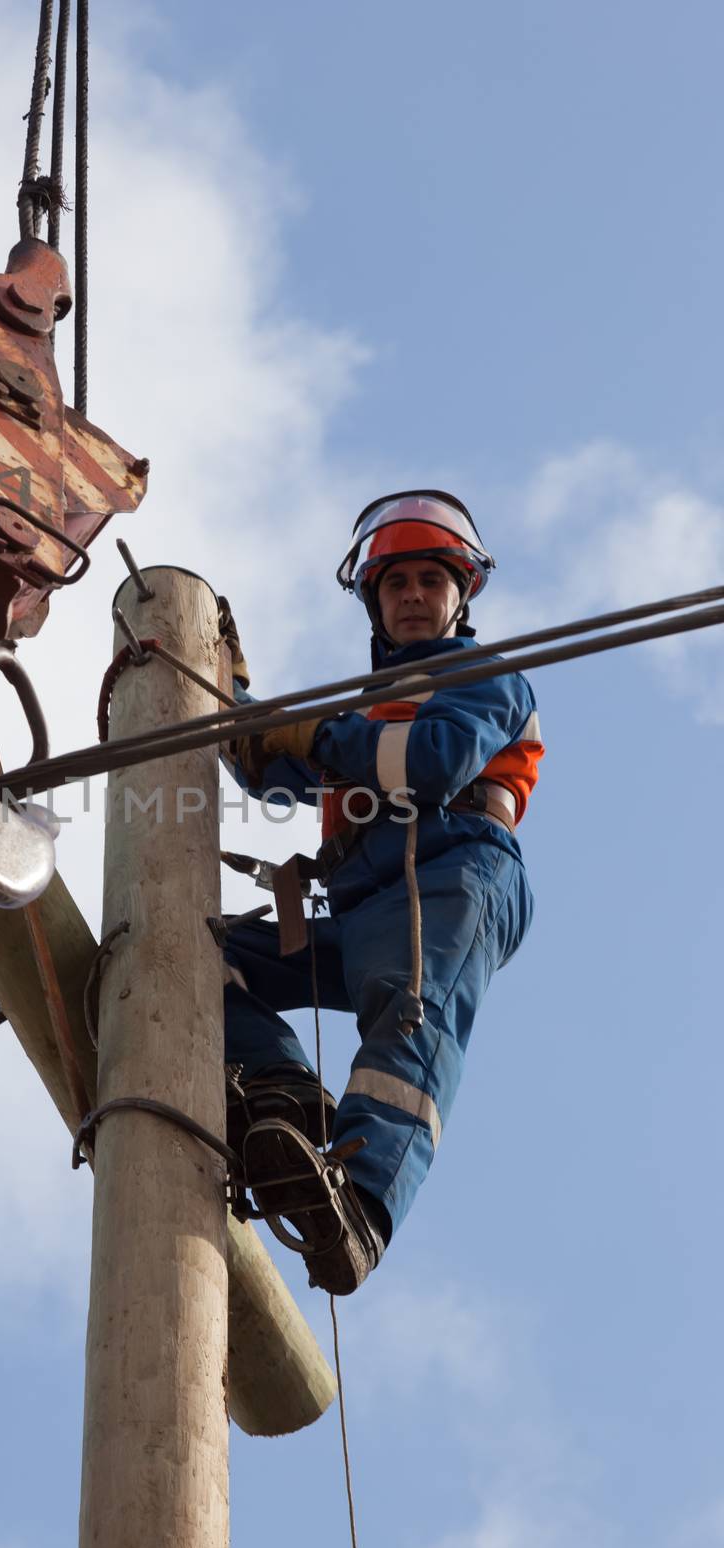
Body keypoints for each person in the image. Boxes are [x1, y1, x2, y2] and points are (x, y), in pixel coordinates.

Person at [220, 491, 543, 1295]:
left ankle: (360, 1207)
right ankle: (284, 1096)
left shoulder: (484, 677)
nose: (412, 596)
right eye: (395, 583)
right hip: (360, 900)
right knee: (195, 954)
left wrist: (316, 734)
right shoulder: (359, 710)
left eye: (431, 580)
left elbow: (435, 762)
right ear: (374, 599)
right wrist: (227, 704)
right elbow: (270, 770)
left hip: (449, 872)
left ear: (460, 596)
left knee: (409, 1013)